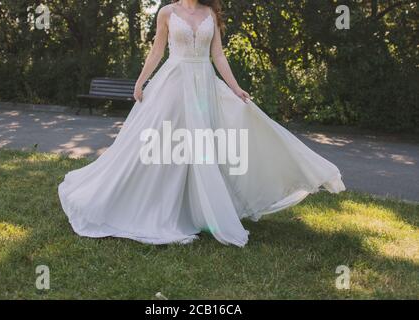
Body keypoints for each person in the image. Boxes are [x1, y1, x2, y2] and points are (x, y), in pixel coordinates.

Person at [58, 0, 346, 247]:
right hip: (173, 86)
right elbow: (158, 51)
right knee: (166, 148)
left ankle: (200, 210)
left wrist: (235, 88)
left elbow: (217, 55)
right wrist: (140, 80)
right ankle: (155, 209)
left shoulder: (211, 13)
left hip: (204, 86)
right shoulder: (167, 12)